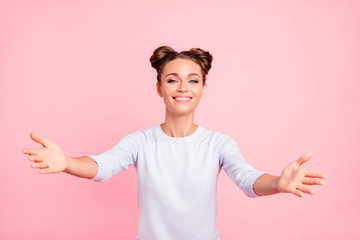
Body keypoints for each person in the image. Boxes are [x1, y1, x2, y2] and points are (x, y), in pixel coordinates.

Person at [22, 46, 327, 240]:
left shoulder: (218, 143)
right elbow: (103, 166)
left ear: (204, 88)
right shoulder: (140, 142)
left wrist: (278, 183)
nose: (183, 87)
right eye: (172, 79)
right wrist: (67, 164)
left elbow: (248, 181)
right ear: (159, 88)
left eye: (193, 79)